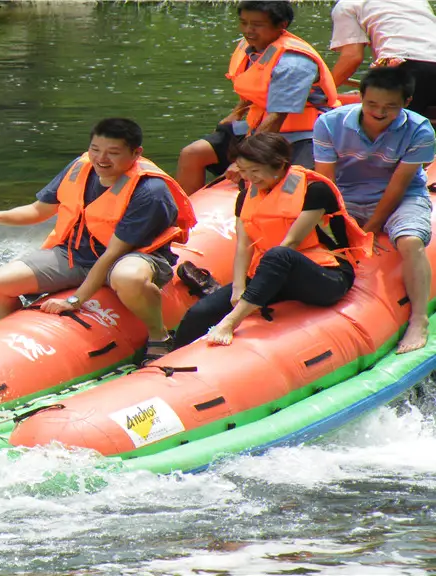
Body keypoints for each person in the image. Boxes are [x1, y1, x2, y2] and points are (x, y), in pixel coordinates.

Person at [0, 118, 196, 362]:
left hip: (128, 258)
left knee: (127, 277)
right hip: (75, 254)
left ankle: (159, 336)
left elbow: (113, 254)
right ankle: (24, 336)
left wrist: (76, 300)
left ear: (136, 153)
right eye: (95, 149)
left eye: (113, 152)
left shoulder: (149, 191)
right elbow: (38, 210)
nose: (101, 159)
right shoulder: (80, 167)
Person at [174, 132, 372, 348]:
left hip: (325, 274)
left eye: (255, 171)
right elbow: (243, 245)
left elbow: (291, 244)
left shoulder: (315, 191)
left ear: (279, 166)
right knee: (200, 312)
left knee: (279, 254)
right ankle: (166, 361)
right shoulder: (246, 196)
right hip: (270, 275)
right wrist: (239, 287)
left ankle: (230, 322)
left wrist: (248, 299)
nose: (249, 178)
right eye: (244, 171)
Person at [314, 66, 436, 354]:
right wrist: (335, 221)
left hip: (402, 196)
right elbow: (325, 182)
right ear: (360, 97)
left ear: (406, 102)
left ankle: (418, 319)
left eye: (389, 107)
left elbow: (398, 186)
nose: (379, 112)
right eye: (372, 104)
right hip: (346, 196)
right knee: (309, 238)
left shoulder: (420, 130)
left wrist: (367, 231)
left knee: (411, 241)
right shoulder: (330, 123)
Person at [176, 0, 340, 195]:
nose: (248, 30)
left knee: (287, 183)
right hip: (257, 125)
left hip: (303, 134)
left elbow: (277, 117)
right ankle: (184, 219)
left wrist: (245, 161)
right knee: (192, 153)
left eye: (257, 24)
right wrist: (235, 114)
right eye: (244, 22)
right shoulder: (250, 47)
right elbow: (252, 89)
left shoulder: (293, 62)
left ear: (281, 26)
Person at [328, 0, 436, 118]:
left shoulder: (347, 5)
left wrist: (323, 91)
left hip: (407, 67)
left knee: (388, 129)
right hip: (421, 64)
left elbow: (352, 57)